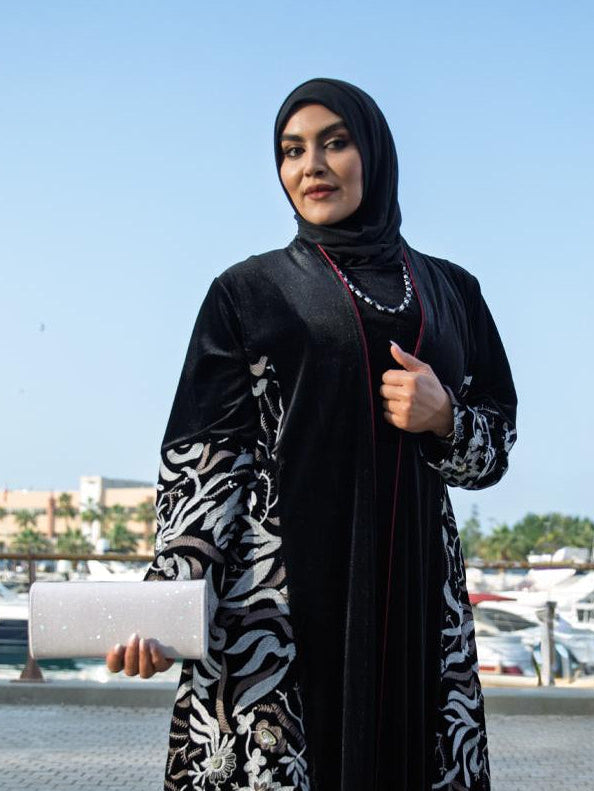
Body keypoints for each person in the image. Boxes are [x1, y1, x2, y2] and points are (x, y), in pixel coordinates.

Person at [107, 78, 517, 791]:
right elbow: (206, 464)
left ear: (375, 153)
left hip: (415, 599)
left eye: (335, 142)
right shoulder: (249, 293)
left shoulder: (453, 293)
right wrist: (166, 599)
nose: (311, 166)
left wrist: (444, 416)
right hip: (279, 601)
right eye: (292, 151)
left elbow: (495, 447)